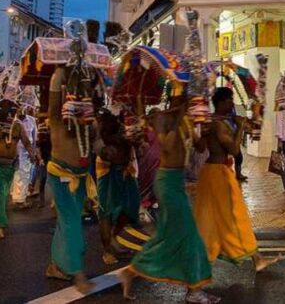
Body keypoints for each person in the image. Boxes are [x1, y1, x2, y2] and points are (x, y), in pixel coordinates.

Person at [120, 95, 216, 304]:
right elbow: (167, 145)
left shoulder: (188, 120)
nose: (185, 99)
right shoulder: (163, 119)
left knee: (167, 235)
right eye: (182, 96)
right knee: (189, 235)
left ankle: (132, 271)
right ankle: (193, 290)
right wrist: (179, 116)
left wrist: (202, 130)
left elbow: (200, 149)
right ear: (174, 95)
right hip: (166, 183)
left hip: (177, 182)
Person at [193, 87, 279, 270]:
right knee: (234, 215)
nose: (232, 104)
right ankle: (254, 258)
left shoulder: (212, 122)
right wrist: (240, 127)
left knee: (215, 218)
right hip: (219, 174)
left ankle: (255, 258)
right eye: (230, 101)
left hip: (211, 172)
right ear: (222, 102)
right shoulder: (218, 124)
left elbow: (200, 147)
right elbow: (233, 150)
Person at [44, 64, 96, 293]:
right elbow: (54, 100)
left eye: (87, 92)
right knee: (72, 221)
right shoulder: (57, 119)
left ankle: (56, 266)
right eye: (79, 91)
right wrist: (60, 72)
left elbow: (100, 147)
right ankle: (77, 272)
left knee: (66, 223)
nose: (84, 95)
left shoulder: (91, 124)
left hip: (82, 178)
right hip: (61, 176)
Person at [0, 100, 37, 240]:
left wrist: (33, 155)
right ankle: (0, 226)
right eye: (4, 108)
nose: (8, 111)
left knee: (3, 193)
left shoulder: (17, 126)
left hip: (10, 165)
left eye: (10, 108)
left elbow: (27, 142)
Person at [95, 109, 140, 265]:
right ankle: (107, 250)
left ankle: (114, 237)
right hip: (108, 171)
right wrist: (122, 137)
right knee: (106, 211)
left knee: (131, 206)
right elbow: (103, 143)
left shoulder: (126, 114)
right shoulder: (104, 118)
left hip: (125, 169)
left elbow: (135, 141)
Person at [10, 105, 39, 207]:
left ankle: (21, 197)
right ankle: (19, 199)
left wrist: (33, 152)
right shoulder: (12, 121)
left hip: (27, 153)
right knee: (17, 174)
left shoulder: (31, 120)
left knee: (25, 175)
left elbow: (34, 138)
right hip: (14, 152)